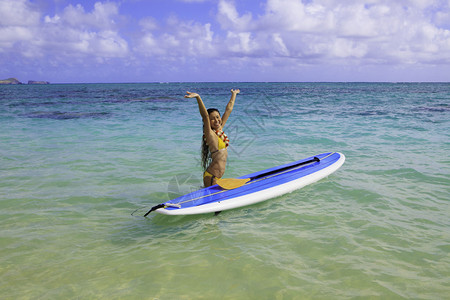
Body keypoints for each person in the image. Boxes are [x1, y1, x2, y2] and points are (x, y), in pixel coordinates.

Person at [184, 89, 240, 187]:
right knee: (210, 200)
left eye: (218, 117)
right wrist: (198, 97)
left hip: (216, 177)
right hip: (211, 177)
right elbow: (205, 116)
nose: (217, 120)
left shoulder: (219, 131)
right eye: (212, 119)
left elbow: (228, 109)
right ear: (208, 122)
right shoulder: (209, 134)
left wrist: (234, 94)